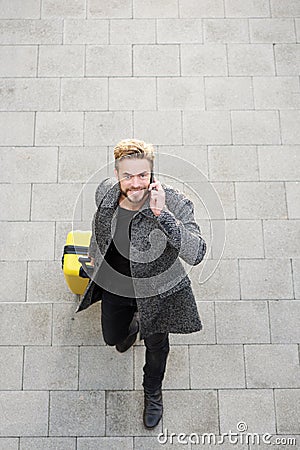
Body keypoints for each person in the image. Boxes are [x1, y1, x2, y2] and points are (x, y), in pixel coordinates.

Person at [76, 138, 207, 428]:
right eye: (127, 176)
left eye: (142, 175)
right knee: (113, 338)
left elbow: (197, 253)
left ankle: (152, 391)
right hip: (116, 285)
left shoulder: (174, 201)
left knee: (156, 346)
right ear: (116, 174)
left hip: (157, 294)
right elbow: (98, 227)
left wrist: (164, 217)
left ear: (152, 174)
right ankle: (132, 325)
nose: (135, 184)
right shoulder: (105, 193)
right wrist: (94, 256)